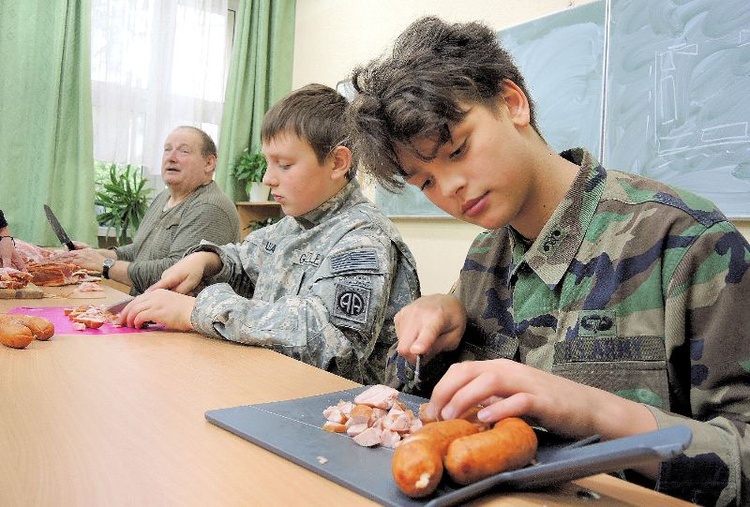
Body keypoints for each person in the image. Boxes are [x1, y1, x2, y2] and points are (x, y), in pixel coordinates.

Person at [345, 16, 750, 506]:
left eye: (457, 150)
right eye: (425, 183)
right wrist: (433, 329)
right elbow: (418, 416)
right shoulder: (483, 258)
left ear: (512, 104)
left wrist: (591, 411)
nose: (448, 189)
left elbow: (743, 458)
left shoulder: (687, 242)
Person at [117, 84, 421, 386]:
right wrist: (206, 260)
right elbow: (243, 260)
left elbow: (330, 345)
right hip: (270, 386)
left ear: (338, 163)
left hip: (332, 410)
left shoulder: (364, 238)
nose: (267, 178)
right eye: (267, 162)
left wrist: (198, 311)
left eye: (284, 165)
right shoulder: (294, 224)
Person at [68, 126, 240, 295]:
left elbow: (174, 273)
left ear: (209, 163)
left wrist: (105, 265)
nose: (171, 158)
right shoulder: (163, 197)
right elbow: (139, 251)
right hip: (144, 311)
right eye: (167, 150)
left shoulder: (210, 206)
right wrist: (93, 255)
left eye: (183, 151)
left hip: (178, 320)